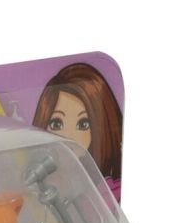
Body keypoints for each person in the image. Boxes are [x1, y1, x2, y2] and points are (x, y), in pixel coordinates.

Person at [33, 62, 124, 201]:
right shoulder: (45, 180)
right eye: (56, 124)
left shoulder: (109, 194)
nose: (69, 136)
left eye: (83, 124)